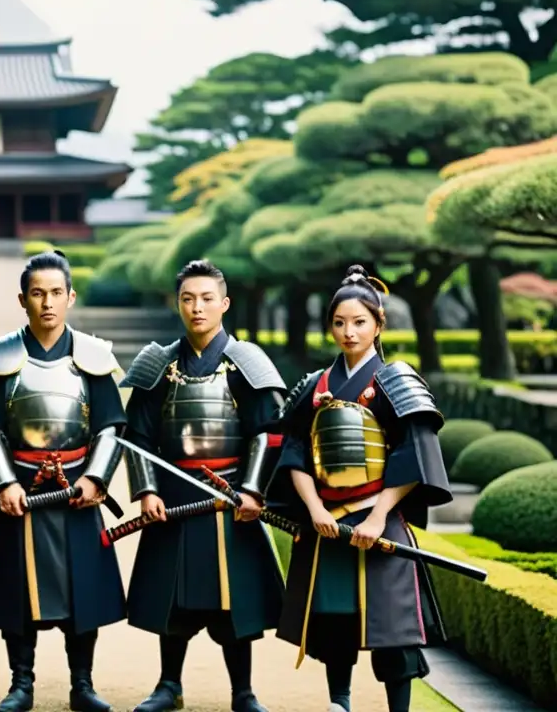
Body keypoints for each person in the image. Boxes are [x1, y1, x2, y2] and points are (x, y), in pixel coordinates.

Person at [269, 264, 452, 712]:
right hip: (327, 523)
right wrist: (314, 509)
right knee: (335, 623)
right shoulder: (314, 386)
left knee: (394, 631)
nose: (348, 333)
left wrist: (376, 517)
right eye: (339, 323)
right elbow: (293, 452)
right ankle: (340, 702)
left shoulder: (397, 381)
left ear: (378, 324)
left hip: (379, 521)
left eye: (359, 322)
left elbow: (414, 455)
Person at [121, 260, 287, 712]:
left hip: (230, 497)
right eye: (188, 299)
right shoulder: (157, 363)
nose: (197, 308)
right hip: (173, 496)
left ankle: (243, 691)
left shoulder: (247, 362)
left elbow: (269, 432)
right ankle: (168, 685)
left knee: (236, 605)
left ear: (224, 303)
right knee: (172, 601)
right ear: (177, 303)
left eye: (207, 298)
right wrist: (147, 490)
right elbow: (136, 435)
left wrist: (253, 489)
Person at [0, 251, 127, 712]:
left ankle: (83, 683)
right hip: (22, 486)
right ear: (23, 299)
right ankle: (21, 683)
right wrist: (3, 482)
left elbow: (111, 426)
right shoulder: (1, 358)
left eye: (56, 293)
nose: (48, 303)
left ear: (70, 296)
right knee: (18, 591)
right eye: (37, 293)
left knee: (84, 594)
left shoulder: (93, 357)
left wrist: (97, 476)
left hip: (77, 488)